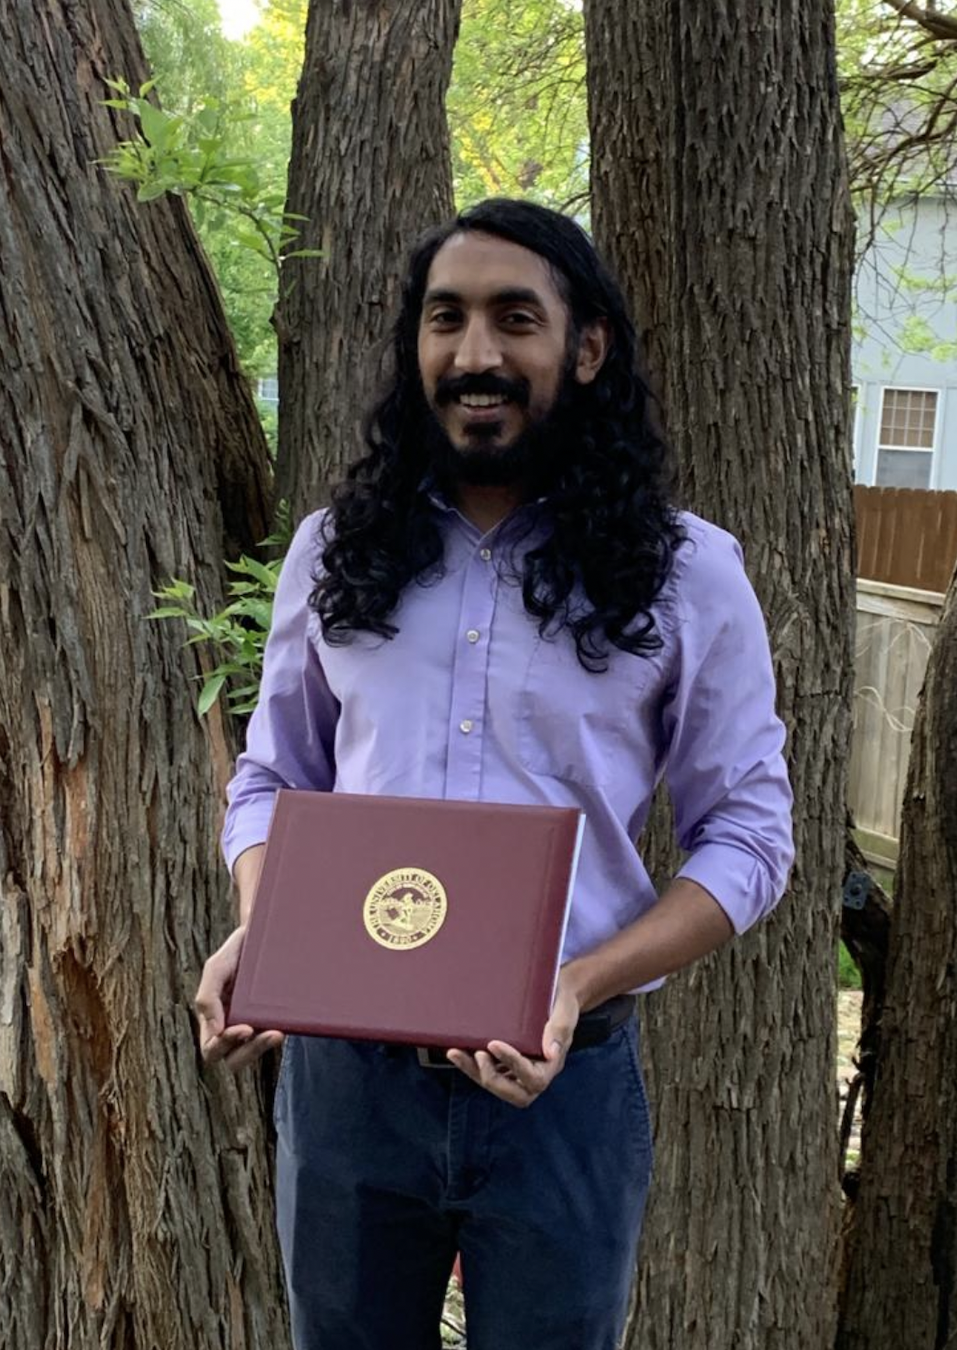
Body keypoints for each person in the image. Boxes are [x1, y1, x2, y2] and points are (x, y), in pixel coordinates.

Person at [195, 198, 794, 1350]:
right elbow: (273, 775)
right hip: (346, 1092)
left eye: (515, 319)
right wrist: (264, 933)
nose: (476, 354)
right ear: (416, 344)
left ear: (586, 347)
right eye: (447, 319)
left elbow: (752, 836)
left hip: (562, 1093)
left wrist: (572, 985)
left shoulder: (687, 573)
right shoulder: (333, 553)